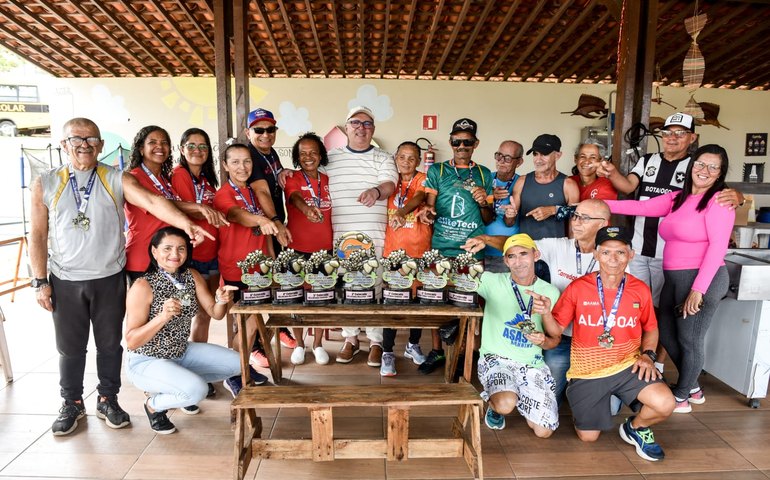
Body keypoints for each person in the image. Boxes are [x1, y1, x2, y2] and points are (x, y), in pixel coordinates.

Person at [29, 117, 213, 436]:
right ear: (63, 144)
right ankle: (71, 402)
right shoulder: (45, 182)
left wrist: (186, 224)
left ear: (100, 145)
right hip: (64, 279)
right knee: (70, 348)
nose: (84, 144)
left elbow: (154, 203)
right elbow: (38, 232)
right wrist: (39, 280)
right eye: (76, 139)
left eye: (91, 139)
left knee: (110, 345)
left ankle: (108, 399)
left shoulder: (115, 178)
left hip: (109, 277)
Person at [595, 112, 742, 373]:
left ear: (692, 138)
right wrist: (609, 181)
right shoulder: (649, 161)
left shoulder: (697, 166)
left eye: (680, 133)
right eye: (667, 132)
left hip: (672, 258)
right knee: (649, 310)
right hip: (640, 248)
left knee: (674, 321)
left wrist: (739, 196)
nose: (672, 138)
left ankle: (660, 365)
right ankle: (648, 361)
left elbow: (723, 197)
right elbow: (629, 190)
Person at [605, 145, 734, 413]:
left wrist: (698, 290)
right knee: (666, 333)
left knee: (690, 339)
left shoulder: (719, 202)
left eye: (713, 167)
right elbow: (638, 206)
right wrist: (599, 205)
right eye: (700, 164)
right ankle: (694, 386)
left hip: (702, 279)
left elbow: (717, 248)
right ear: (691, 166)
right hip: (673, 278)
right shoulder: (677, 198)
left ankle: (683, 394)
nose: (704, 171)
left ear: (720, 173)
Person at [542, 226, 675, 462]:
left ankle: (636, 427)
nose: (613, 259)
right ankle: (599, 406)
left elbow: (651, 328)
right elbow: (556, 330)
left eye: (620, 252)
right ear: (596, 254)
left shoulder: (640, 289)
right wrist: (545, 313)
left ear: (631, 255)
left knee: (666, 403)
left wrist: (648, 355)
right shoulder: (578, 287)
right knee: (588, 437)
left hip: (629, 365)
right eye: (606, 253)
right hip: (588, 371)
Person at [462, 198, 611, 405]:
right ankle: (509, 394)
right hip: (558, 336)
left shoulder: (612, 256)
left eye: (584, 218)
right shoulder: (557, 246)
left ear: (603, 223)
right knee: (551, 403)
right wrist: (486, 239)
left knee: (609, 407)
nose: (576, 222)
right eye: (575, 216)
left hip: (593, 341)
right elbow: (518, 247)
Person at [124, 227, 241, 434]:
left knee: (238, 362)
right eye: (167, 248)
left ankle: (177, 384)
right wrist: (162, 317)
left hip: (181, 351)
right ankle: (154, 405)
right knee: (198, 391)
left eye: (181, 249)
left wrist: (221, 300)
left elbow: (215, 313)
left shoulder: (191, 275)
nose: (175, 255)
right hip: (146, 360)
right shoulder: (143, 285)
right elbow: (132, 341)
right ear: (154, 252)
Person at [321, 105, 397, 367]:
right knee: (346, 288)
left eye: (366, 124)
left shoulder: (384, 157)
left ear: (373, 129)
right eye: (355, 123)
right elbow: (309, 179)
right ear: (347, 127)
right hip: (340, 235)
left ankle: (376, 340)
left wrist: (376, 192)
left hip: (375, 236)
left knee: (375, 287)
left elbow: (390, 184)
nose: (361, 128)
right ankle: (351, 338)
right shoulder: (330, 158)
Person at [417, 117, 494, 374]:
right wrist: (427, 211)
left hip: (471, 250)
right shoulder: (437, 171)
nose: (462, 145)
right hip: (440, 246)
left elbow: (489, 218)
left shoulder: (484, 173)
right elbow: (429, 204)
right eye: (457, 141)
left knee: (468, 303)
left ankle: (463, 354)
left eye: (467, 142)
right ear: (451, 142)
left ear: (476, 143)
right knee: (433, 302)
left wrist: (484, 202)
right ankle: (438, 351)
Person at [476, 234, 560, 437]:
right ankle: (497, 403)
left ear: (536, 255)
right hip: (495, 359)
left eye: (524, 254)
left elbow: (554, 340)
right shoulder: (489, 281)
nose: (518, 261)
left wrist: (543, 338)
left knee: (544, 432)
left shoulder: (550, 292)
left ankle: (518, 392)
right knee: (505, 404)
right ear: (505, 261)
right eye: (511, 256)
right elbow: (454, 280)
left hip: (532, 365)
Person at [125, 126, 226, 281]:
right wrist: (198, 209)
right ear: (141, 149)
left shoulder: (165, 180)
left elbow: (172, 205)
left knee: (175, 305)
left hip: (168, 259)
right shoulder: (133, 177)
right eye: (153, 142)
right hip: (143, 259)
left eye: (164, 143)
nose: (159, 146)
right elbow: (155, 203)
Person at [214, 143, 277, 387]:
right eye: (236, 162)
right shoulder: (224, 194)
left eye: (247, 161)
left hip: (259, 272)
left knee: (252, 324)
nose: (242, 167)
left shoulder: (252, 191)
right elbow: (237, 216)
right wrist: (262, 220)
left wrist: (272, 263)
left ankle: (242, 367)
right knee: (245, 324)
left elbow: (265, 235)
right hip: (236, 271)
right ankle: (233, 374)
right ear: (225, 165)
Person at [244, 108, 296, 359]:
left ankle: (280, 327)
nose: (266, 134)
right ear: (248, 132)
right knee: (262, 285)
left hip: (274, 224)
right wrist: (277, 223)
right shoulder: (251, 155)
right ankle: (255, 347)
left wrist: (283, 172)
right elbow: (262, 191)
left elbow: (274, 177)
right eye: (259, 130)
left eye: (270, 129)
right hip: (261, 229)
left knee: (280, 278)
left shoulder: (269, 152)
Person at [380, 141, 432, 377]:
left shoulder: (423, 179)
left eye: (412, 158)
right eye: (402, 157)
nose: (406, 162)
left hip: (419, 251)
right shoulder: (390, 181)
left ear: (419, 161)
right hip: (393, 253)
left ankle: (413, 344)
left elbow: (419, 196)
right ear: (395, 157)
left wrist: (402, 212)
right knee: (391, 303)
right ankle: (387, 351)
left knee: (416, 303)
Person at [283, 132, 333, 365]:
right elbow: (294, 198)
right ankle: (300, 343)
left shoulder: (328, 178)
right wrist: (307, 210)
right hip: (297, 247)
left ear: (321, 154)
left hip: (324, 249)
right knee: (297, 298)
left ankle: (318, 344)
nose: (308, 157)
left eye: (313, 152)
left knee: (321, 297)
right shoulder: (292, 178)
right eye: (303, 153)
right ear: (296, 157)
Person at [171, 128, 220, 345]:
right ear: (182, 149)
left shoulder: (207, 180)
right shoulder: (180, 174)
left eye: (203, 146)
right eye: (191, 145)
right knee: (182, 314)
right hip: (192, 257)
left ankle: (199, 363)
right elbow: (184, 208)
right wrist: (203, 209)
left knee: (205, 314)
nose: (197, 150)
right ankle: (180, 364)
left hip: (211, 254)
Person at [511, 133, 580, 240]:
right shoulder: (522, 181)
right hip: (527, 249)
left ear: (557, 155)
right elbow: (510, 221)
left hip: (556, 251)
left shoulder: (568, 184)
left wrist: (553, 210)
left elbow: (576, 215)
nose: (538, 159)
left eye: (544, 154)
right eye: (535, 154)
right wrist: (508, 214)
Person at [483, 140, 523, 273]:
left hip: (504, 253)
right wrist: (490, 195)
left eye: (507, 158)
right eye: (499, 155)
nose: (501, 161)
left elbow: (509, 223)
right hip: (478, 249)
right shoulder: (485, 178)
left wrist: (510, 214)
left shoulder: (521, 182)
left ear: (519, 162)